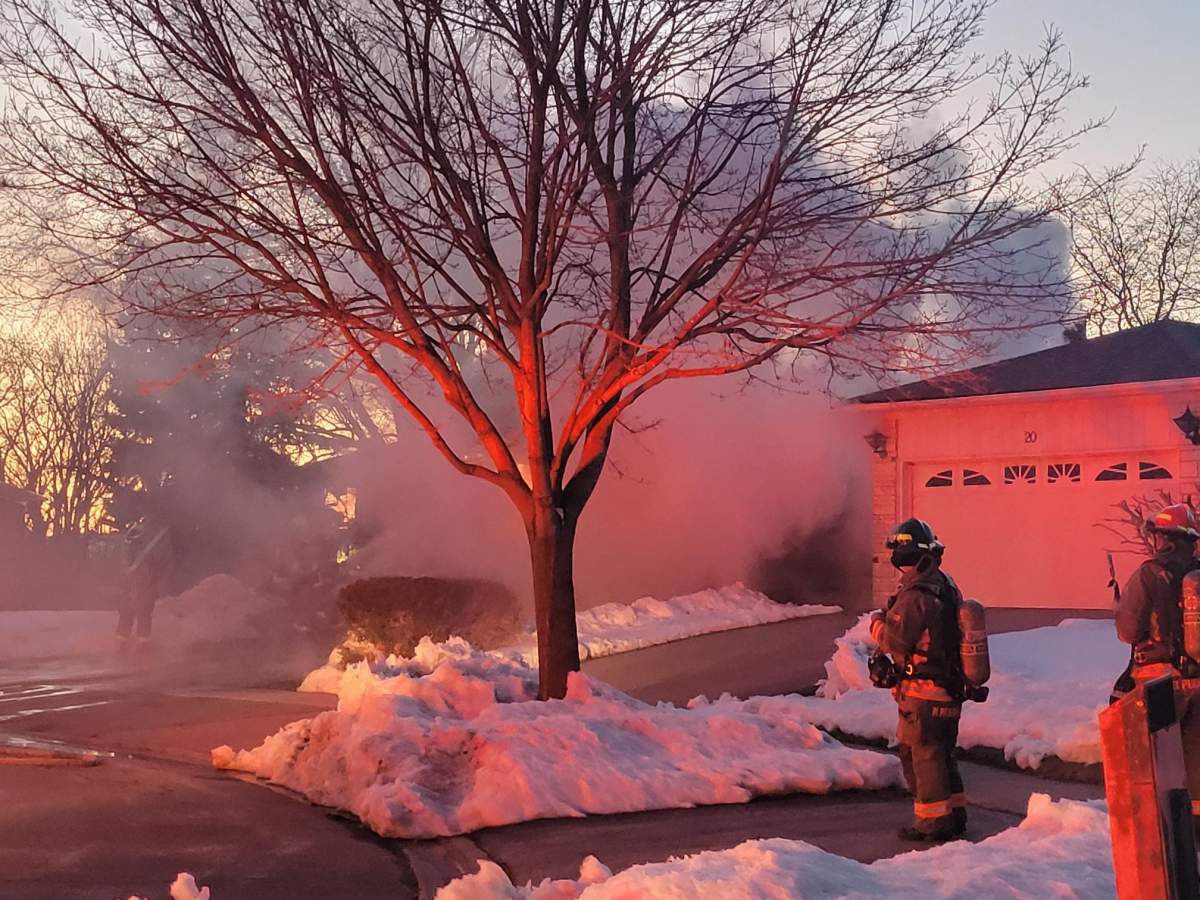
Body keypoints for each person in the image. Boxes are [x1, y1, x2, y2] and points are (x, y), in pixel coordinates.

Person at [869, 517, 967, 843]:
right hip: (948, 689)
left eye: (897, 549)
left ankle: (933, 824)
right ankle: (955, 815)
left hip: (923, 694)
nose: (894, 557)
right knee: (941, 754)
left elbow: (895, 641)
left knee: (922, 757)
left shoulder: (916, 596)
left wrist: (876, 625)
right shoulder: (945, 585)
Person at [1114, 503, 1200, 832]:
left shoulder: (1149, 574)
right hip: (1198, 682)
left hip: (1159, 683)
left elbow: (1128, 631)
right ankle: (1193, 831)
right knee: (1195, 760)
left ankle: (1158, 829)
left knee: (1154, 759)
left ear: (1163, 537)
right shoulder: (1198, 575)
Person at [116, 518, 173, 648]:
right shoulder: (129, 550)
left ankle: (137, 641)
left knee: (141, 611)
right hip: (137, 584)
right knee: (131, 611)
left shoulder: (134, 548)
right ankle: (129, 640)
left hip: (143, 584)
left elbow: (158, 565)